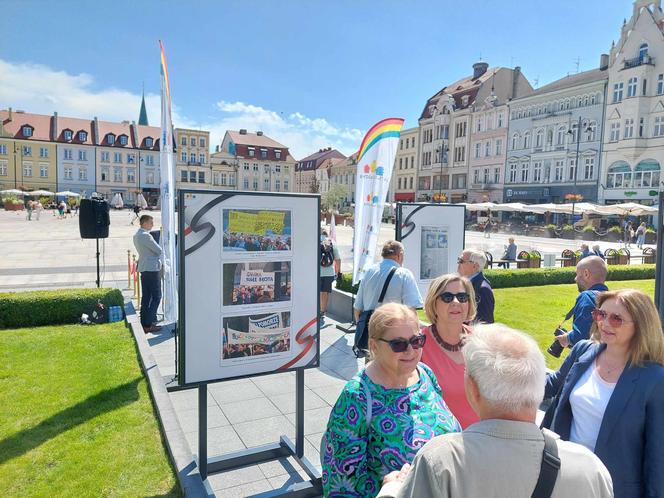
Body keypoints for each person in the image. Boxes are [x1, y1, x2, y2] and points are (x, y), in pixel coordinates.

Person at [377, 324, 613, 498]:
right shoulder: (590, 468)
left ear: (473, 389)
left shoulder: (442, 461)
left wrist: (392, 489)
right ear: (538, 389)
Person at [321, 303, 461, 497]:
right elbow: (340, 483)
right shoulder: (358, 396)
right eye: (399, 344)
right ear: (374, 346)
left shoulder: (425, 373)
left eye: (416, 341)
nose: (410, 351)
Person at [543, 289, 664, 498]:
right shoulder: (582, 350)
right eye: (601, 314)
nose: (605, 323)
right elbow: (551, 384)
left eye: (617, 319)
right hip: (565, 477)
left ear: (641, 326)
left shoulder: (654, 379)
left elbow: (657, 457)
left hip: (613, 489)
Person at [420, 274, 480, 428]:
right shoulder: (417, 345)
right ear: (434, 304)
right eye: (447, 297)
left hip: (482, 438)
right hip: (442, 441)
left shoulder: (483, 341)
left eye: (462, 297)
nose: (456, 302)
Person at [354, 240, 423, 323]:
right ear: (400, 255)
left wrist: (361, 328)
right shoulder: (404, 274)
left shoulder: (369, 271)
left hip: (369, 328)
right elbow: (411, 309)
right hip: (393, 329)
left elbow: (358, 308)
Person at [555, 256, 608, 348]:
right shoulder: (611, 298)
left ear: (586, 274)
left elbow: (581, 337)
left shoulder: (586, 297)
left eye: (577, 274)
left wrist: (567, 338)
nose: (575, 279)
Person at [133, 214, 163, 333]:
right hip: (151, 268)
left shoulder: (137, 235)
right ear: (144, 223)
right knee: (156, 296)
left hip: (144, 268)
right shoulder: (146, 236)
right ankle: (148, 323)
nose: (152, 224)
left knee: (146, 297)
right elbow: (158, 250)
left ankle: (144, 322)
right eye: (151, 222)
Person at [457, 249, 494, 324]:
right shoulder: (466, 282)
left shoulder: (483, 290)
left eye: (461, 261)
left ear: (475, 266)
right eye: (458, 260)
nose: (458, 263)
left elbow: (485, 323)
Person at [319, 229, 341, 326]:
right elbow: (338, 259)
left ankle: (314, 310)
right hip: (329, 272)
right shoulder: (332, 242)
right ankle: (322, 311)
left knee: (316, 292)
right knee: (325, 292)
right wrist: (338, 271)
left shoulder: (314, 240)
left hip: (316, 272)